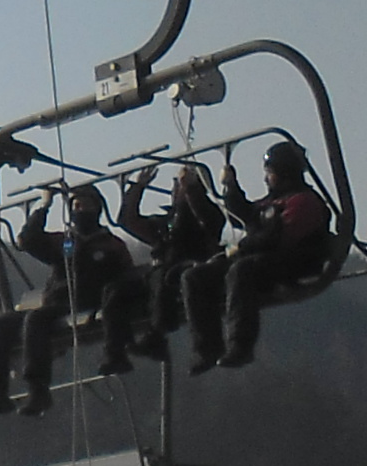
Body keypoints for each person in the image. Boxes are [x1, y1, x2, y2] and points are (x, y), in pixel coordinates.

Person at [0, 187, 136, 419]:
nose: (81, 211)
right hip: (56, 303)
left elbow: (126, 275)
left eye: (86, 205)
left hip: (86, 302)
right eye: (76, 206)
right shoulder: (64, 242)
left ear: (97, 209)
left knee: (36, 320)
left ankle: (38, 389)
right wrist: (44, 206)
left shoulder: (111, 245)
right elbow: (28, 240)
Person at [183, 139, 334, 372]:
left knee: (242, 270)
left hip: (294, 261)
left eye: (269, 173)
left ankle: (240, 346)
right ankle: (206, 349)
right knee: (194, 277)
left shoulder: (304, 202)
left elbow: (277, 238)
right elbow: (243, 216)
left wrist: (241, 248)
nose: (266, 179)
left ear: (284, 173)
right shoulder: (272, 201)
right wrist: (231, 187)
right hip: (261, 258)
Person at [117, 161, 226, 367]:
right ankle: (117, 351)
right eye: (177, 183)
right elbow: (128, 220)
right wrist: (138, 187)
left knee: (165, 277)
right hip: (162, 272)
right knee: (118, 289)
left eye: (181, 184)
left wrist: (191, 190)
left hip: (192, 266)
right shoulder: (163, 223)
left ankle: (165, 337)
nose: (177, 187)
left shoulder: (209, 216)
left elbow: (207, 219)